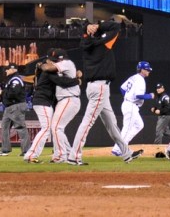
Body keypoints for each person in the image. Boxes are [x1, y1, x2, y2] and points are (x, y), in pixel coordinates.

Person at [67, 17, 143, 165]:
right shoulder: (103, 44)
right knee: (87, 122)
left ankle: (126, 153)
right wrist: (99, 26)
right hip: (100, 87)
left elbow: (86, 38)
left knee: (112, 123)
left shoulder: (86, 44)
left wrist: (87, 28)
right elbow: (115, 26)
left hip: (95, 88)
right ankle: (74, 156)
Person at [22, 51, 81, 164]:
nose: (53, 62)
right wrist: (76, 80)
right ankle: (31, 155)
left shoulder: (50, 69)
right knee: (47, 128)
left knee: (54, 128)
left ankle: (66, 152)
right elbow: (61, 81)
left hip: (45, 101)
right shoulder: (48, 71)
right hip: (42, 101)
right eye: (51, 60)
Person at [111, 61, 155, 155]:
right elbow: (138, 95)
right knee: (127, 128)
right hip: (131, 105)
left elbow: (122, 88)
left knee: (139, 125)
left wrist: (127, 96)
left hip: (129, 104)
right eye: (147, 69)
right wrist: (150, 96)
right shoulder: (140, 79)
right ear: (142, 70)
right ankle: (117, 149)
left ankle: (122, 146)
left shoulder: (133, 77)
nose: (148, 71)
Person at [0, 63, 31, 157]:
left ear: (13, 69)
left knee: (20, 128)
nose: (6, 70)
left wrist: (4, 93)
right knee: (4, 127)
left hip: (16, 106)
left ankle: (26, 151)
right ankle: (5, 149)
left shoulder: (16, 79)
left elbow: (14, 92)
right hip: (9, 107)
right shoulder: (11, 79)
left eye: (7, 69)